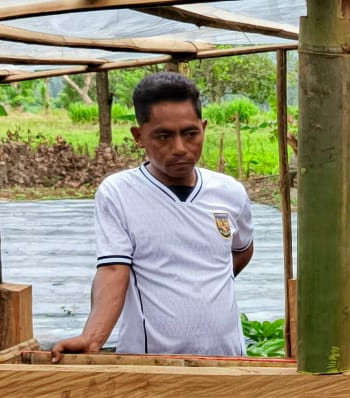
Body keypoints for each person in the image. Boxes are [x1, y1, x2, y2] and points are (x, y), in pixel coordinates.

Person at [51, 72, 254, 360]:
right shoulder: (119, 193)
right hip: (152, 366)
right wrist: (92, 337)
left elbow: (241, 251)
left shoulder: (230, 192)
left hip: (229, 361)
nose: (180, 148)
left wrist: (202, 284)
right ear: (139, 136)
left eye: (190, 134)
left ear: (203, 128)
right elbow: (113, 270)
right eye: (163, 136)